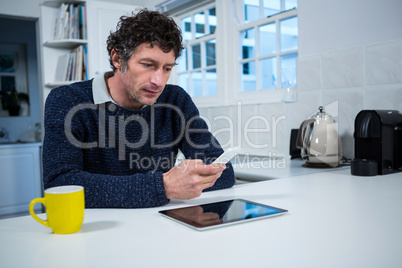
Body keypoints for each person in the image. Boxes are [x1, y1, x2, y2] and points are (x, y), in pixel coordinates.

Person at [42, 9, 235, 208]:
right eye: (147, 65)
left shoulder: (175, 100)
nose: (158, 81)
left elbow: (224, 171)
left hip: (158, 224)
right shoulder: (67, 100)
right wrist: (163, 186)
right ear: (117, 59)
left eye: (167, 68)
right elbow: (60, 183)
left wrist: (180, 181)